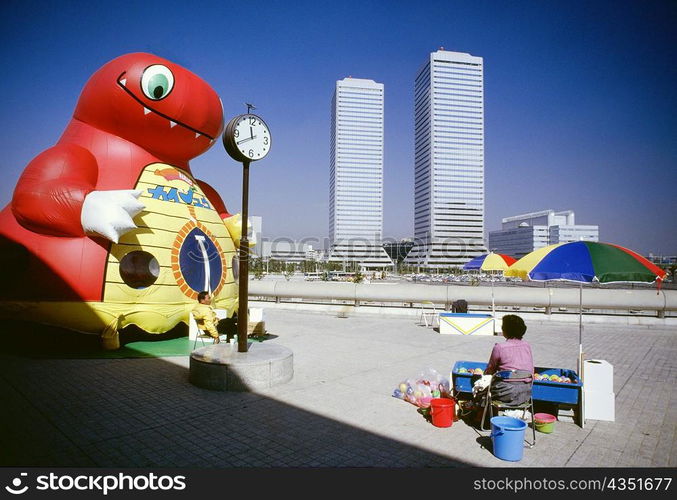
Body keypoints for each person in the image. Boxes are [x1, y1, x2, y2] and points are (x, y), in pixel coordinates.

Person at [483, 314, 534, 406]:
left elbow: (490, 370)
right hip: (525, 393)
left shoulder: (499, 347)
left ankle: (483, 415)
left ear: (505, 330)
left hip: (504, 393)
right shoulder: (527, 346)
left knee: (483, 386)